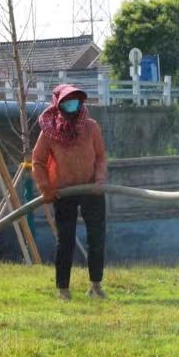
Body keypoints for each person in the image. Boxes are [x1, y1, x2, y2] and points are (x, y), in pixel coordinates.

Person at [32, 83, 109, 300]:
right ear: (58, 104)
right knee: (64, 240)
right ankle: (63, 290)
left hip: (91, 189)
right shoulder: (49, 131)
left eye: (75, 99)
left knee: (97, 237)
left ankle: (96, 286)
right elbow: (37, 161)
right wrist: (44, 187)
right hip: (63, 192)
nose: (72, 103)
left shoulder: (91, 127)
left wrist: (99, 178)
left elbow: (101, 156)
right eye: (67, 100)